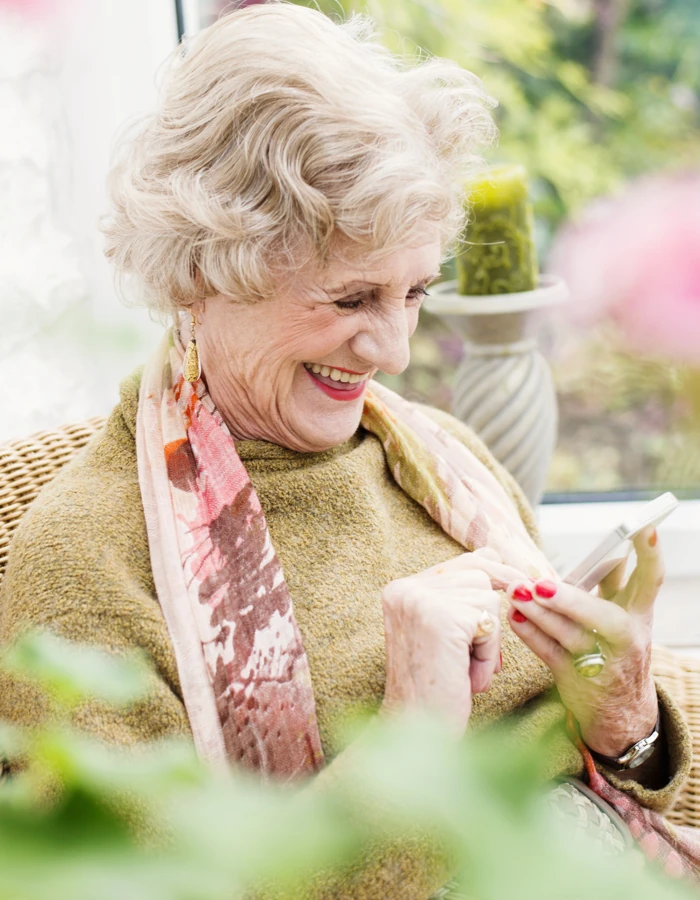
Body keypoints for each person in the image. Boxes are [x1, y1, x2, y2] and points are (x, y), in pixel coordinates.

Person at [0, 2, 696, 895]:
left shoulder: (445, 457)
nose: (395, 352)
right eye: (349, 299)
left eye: (413, 292)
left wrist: (629, 720)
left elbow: (631, 780)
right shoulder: (90, 567)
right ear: (203, 274)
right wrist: (407, 746)